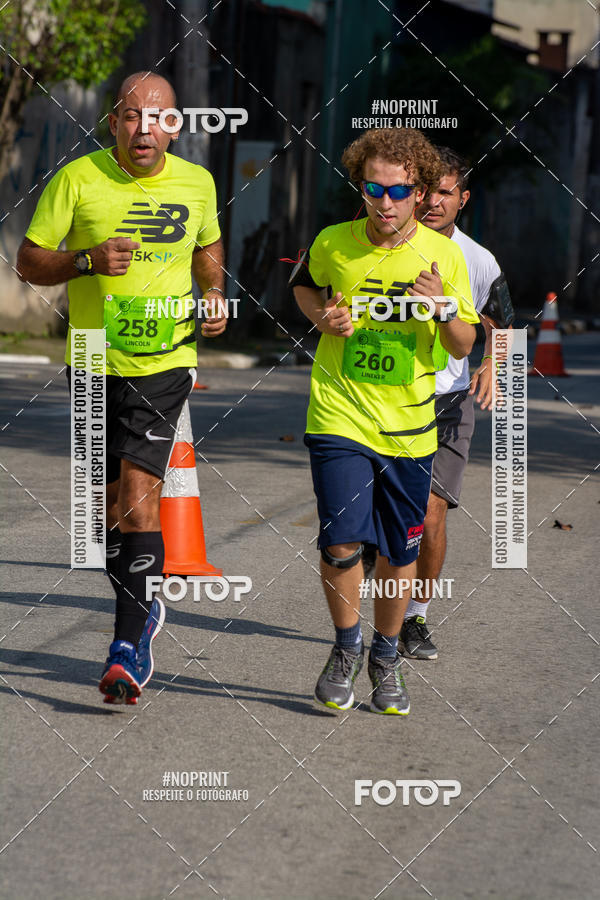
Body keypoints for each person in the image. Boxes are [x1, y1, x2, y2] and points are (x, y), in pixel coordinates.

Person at [16, 71, 227, 704]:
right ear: (113, 123)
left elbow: (208, 249)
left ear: (175, 127)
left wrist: (215, 292)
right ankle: (146, 600)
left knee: (139, 497)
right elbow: (28, 261)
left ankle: (125, 647)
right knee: (107, 512)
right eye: (131, 116)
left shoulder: (198, 182)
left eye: (157, 117)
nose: (144, 128)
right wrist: (84, 260)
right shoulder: (77, 179)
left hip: (165, 361)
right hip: (91, 357)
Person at [291, 128, 479, 715]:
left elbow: (462, 343)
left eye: (399, 191)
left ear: (418, 192)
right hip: (340, 414)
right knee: (341, 541)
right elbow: (303, 288)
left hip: (409, 428)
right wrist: (322, 317)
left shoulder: (444, 255)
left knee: (398, 552)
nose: (386, 202)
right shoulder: (333, 242)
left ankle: (386, 654)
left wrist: (442, 307)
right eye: (374, 188)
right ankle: (346, 647)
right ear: (362, 187)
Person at [399, 146, 504, 660]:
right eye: (427, 191)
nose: (434, 202)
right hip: (387, 396)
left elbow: (501, 321)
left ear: (462, 199)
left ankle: (415, 617)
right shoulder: (386, 242)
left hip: (448, 400)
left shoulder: (478, 260)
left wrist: (491, 365)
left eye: (445, 192)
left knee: (432, 511)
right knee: (389, 513)